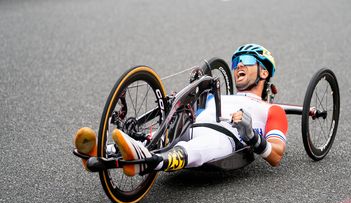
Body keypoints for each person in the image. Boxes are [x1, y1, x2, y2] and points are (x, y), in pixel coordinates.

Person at [74, 44, 288, 176]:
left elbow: (277, 156)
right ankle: (102, 152)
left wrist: (250, 134)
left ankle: (150, 162)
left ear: (263, 73)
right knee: (165, 130)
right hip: (191, 125)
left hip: (226, 137)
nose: (239, 65)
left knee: (200, 146)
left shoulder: (272, 109)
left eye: (247, 61)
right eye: (236, 62)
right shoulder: (219, 94)